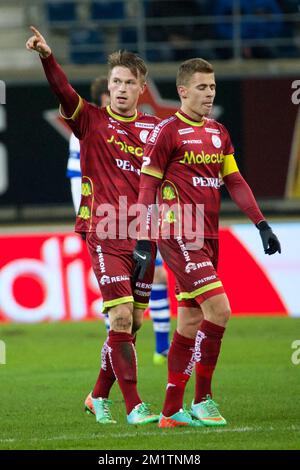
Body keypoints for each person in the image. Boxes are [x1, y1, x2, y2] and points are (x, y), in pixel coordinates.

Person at [133, 57, 281, 428]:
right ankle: (203, 399)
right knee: (220, 310)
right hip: (178, 233)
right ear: (182, 91)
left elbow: (235, 181)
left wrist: (261, 224)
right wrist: (143, 235)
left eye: (212, 87)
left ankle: (170, 411)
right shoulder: (167, 131)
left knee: (190, 320)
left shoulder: (219, 132)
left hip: (210, 236)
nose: (209, 93)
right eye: (201, 87)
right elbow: (147, 185)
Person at [26, 26, 160, 425]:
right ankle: (135, 406)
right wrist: (48, 57)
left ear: (141, 88)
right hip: (102, 230)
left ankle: (97, 395)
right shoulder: (89, 121)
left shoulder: (155, 131)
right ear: (109, 87)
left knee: (134, 322)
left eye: (129, 83)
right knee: (119, 318)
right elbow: (64, 91)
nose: (120, 89)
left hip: (142, 236)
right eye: (116, 81)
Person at [66, 77, 171, 366]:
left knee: (153, 283)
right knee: (117, 300)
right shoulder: (86, 129)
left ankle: (162, 345)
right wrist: (85, 219)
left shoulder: (146, 129)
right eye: (113, 90)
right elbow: (78, 180)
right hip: (104, 224)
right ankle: (115, 354)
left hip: (141, 223)